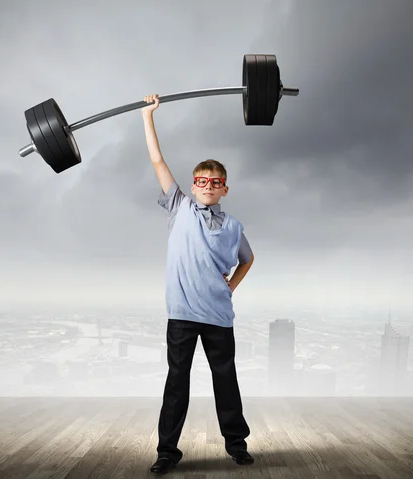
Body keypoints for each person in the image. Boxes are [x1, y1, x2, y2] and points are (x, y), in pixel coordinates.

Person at [142, 94, 256, 476]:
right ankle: (167, 452)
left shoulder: (234, 226)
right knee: (177, 384)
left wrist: (231, 287)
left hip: (219, 317)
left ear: (225, 188)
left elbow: (247, 259)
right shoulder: (180, 208)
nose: (208, 185)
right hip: (182, 315)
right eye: (202, 181)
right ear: (192, 186)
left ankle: (237, 446)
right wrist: (148, 116)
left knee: (226, 381)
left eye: (216, 182)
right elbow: (157, 160)